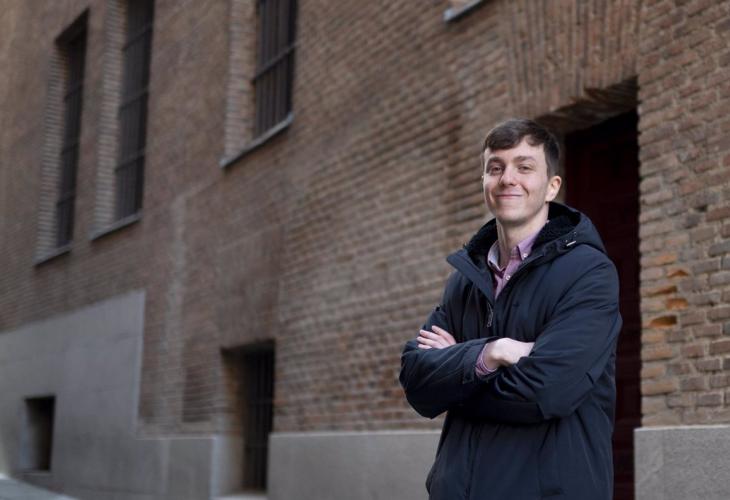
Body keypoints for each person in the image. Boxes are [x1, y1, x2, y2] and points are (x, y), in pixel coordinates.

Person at [399, 118, 622, 500]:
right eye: (495, 168)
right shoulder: (465, 280)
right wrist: (491, 354)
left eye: (524, 167)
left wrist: (458, 376)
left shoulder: (589, 272)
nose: (507, 179)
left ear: (552, 186)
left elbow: (547, 392)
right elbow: (417, 382)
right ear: (485, 182)